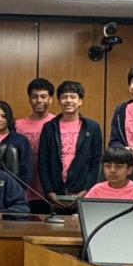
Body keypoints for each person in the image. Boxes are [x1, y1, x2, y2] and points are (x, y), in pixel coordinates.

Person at [37, 80, 103, 209]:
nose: (68, 101)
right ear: (59, 101)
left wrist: (86, 190)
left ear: (80, 101)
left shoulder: (92, 127)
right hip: (55, 194)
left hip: (82, 193)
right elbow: (43, 163)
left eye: (73, 97)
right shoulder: (49, 127)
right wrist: (49, 192)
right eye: (64, 97)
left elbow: (95, 163)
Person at [16, 78, 57, 213]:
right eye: (34, 97)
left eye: (43, 96)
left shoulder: (57, 123)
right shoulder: (17, 125)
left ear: (50, 99)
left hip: (51, 189)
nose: (39, 100)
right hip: (25, 188)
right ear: (29, 99)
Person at [0, 100, 33, 187]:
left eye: (3, 116)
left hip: (14, 188)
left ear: (9, 118)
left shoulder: (21, 140)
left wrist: (17, 190)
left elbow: (26, 170)